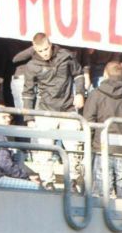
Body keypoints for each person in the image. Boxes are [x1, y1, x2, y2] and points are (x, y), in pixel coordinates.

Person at [13, 33, 84, 185]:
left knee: (73, 148)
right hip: (45, 111)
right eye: (40, 51)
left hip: (68, 108)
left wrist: (79, 93)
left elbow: (78, 74)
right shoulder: (32, 66)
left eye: (46, 49)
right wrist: (29, 117)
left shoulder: (66, 56)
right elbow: (28, 92)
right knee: (45, 150)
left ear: (50, 45)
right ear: (35, 49)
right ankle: (47, 182)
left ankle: (73, 181)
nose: (44, 53)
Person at [83, 60, 122, 198]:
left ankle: (102, 212)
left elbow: (88, 121)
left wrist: (89, 144)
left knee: (101, 192)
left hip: (101, 147)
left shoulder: (96, 94)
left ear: (105, 74)